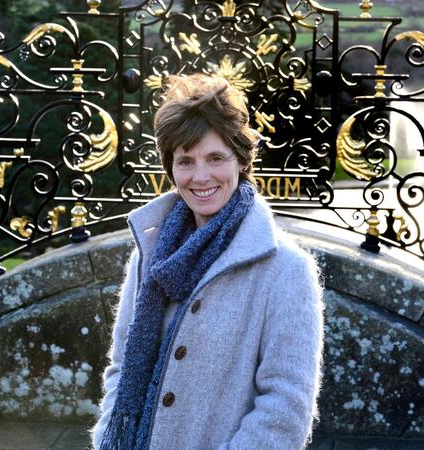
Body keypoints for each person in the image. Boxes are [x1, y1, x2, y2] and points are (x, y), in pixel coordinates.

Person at [91, 73, 324, 449]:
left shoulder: (286, 269)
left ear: (240, 161)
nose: (201, 177)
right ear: (171, 168)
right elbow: (121, 367)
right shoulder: (149, 254)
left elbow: (285, 409)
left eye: (215, 158)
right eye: (186, 161)